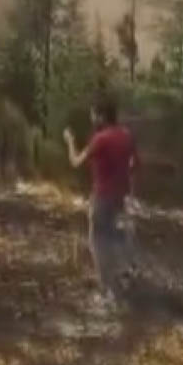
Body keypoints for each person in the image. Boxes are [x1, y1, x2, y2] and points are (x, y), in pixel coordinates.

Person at [63, 97, 139, 303]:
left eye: (93, 114)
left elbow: (75, 162)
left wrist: (70, 140)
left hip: (102, 197)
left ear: (102, 116)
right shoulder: (127, 135)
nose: (92, 118)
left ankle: (107, 292)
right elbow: (134, 166)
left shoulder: (101, 138)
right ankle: (127, 263)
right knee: (112, 234)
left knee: (97, 241)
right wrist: (130, 194)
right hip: (119, 198)